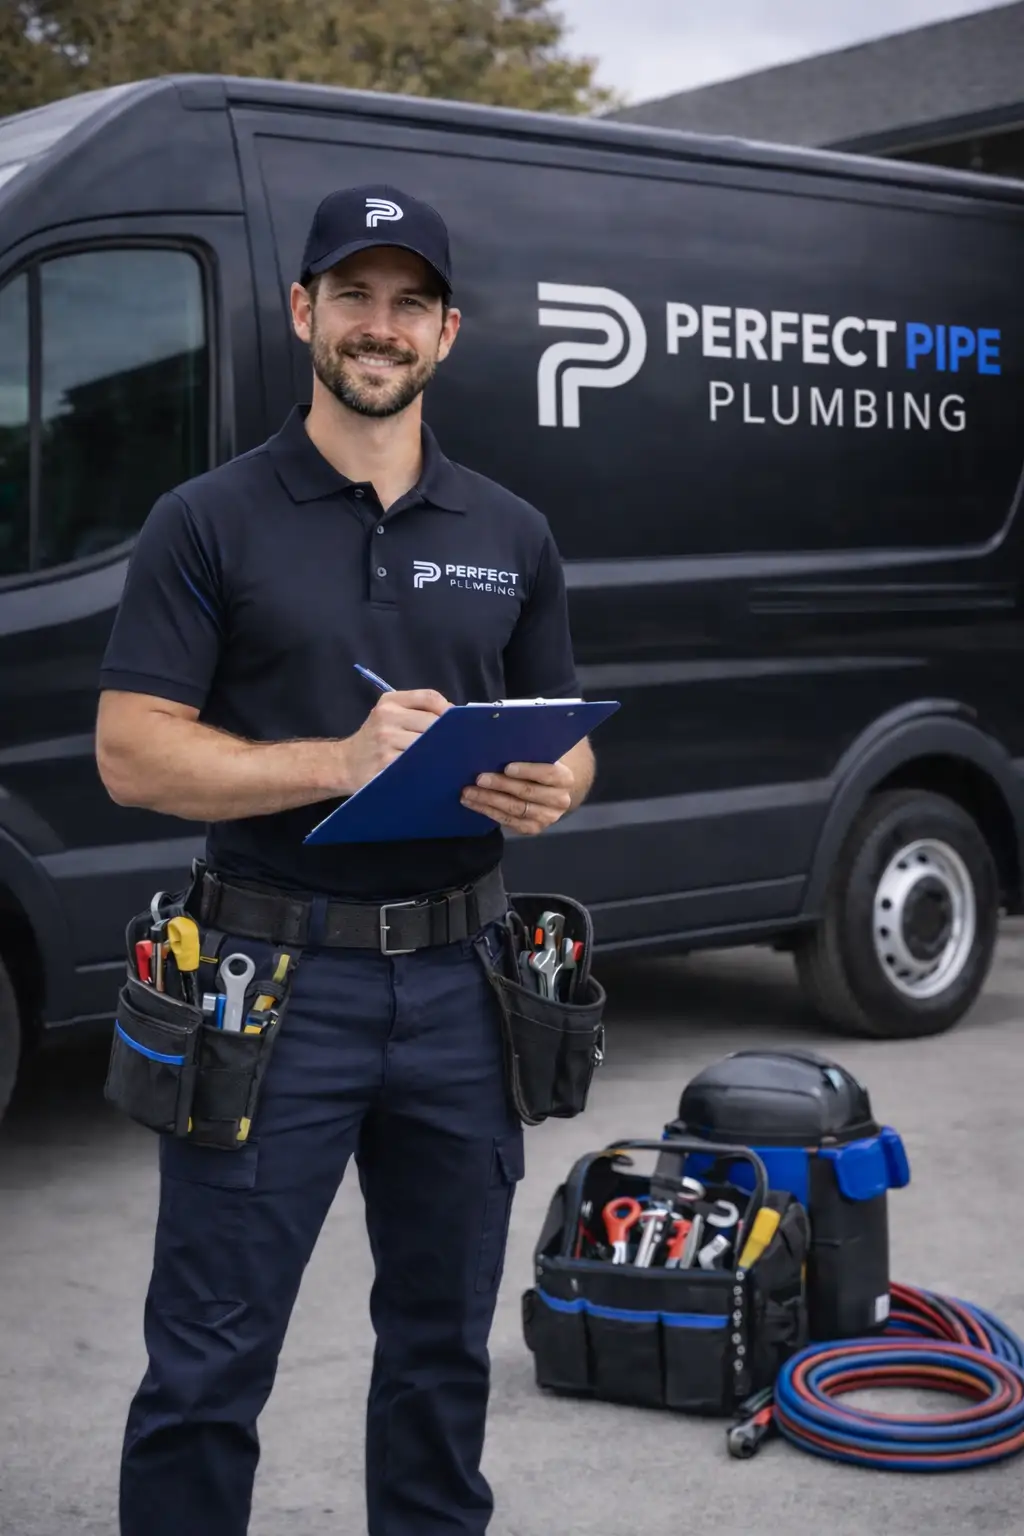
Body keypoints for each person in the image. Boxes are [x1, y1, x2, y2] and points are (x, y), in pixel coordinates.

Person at [95, 183, 594, 1536]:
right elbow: (134, 754)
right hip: (268, 989)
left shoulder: (509, 532)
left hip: (464, 987)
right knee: (207, 1368)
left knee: (441, 1360)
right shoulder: (208, 519)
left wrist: (556, 780)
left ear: (447, 335)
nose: (382, 327)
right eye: (355, 297)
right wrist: (338, 759)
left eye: (410, 303)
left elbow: (568, 727)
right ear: (304, 310)